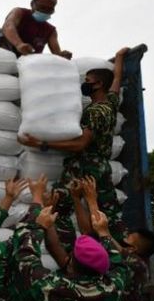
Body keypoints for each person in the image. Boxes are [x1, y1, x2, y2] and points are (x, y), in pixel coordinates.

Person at [19, 47, 131, 251]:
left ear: (98, 84)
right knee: (110, 213)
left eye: (88, 81)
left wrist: (42, 144)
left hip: (83, 167)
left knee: (58, 207)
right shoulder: (111, 103)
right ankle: (124, 250)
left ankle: (71, 254)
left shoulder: (94, 112)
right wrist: (120, 58)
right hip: (103, 167)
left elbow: (81, 144)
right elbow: (116, 80)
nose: (84, 85)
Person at [11, 175, 128, 301]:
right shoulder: (115, 286)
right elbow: (26, 254)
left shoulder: (49, 287)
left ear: (70, 262)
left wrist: (38, 204)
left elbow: (24, 254)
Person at [0, 0, 72, 58]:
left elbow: (56, 53)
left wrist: (62, 55)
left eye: (49, 9)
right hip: (7, 50)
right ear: (32, 4)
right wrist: (19, 44)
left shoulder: (51, 31)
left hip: (27, 61)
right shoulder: (20, 12)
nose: (45, 12)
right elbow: (8, 26)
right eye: (42, 7)